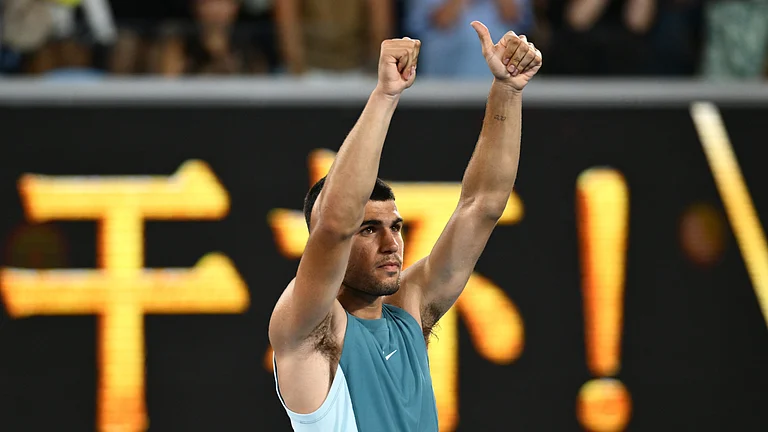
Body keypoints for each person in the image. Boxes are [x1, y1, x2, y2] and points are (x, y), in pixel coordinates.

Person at [269, 21, 542, 431]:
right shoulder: (310, 327)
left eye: (395, 227)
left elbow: (482, 205)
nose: (391, 243)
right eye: (368, 229)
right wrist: (385, 95)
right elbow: (335, 222)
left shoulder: (408, 310)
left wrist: (508, 89)